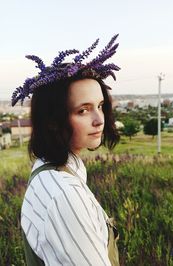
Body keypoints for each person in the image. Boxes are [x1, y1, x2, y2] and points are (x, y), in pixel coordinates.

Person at [12, 35, 120, 266]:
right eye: (83, 110)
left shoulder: (48, 169)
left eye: (100, 106)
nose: (99, 119)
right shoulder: (65, 195)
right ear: (52, 120)